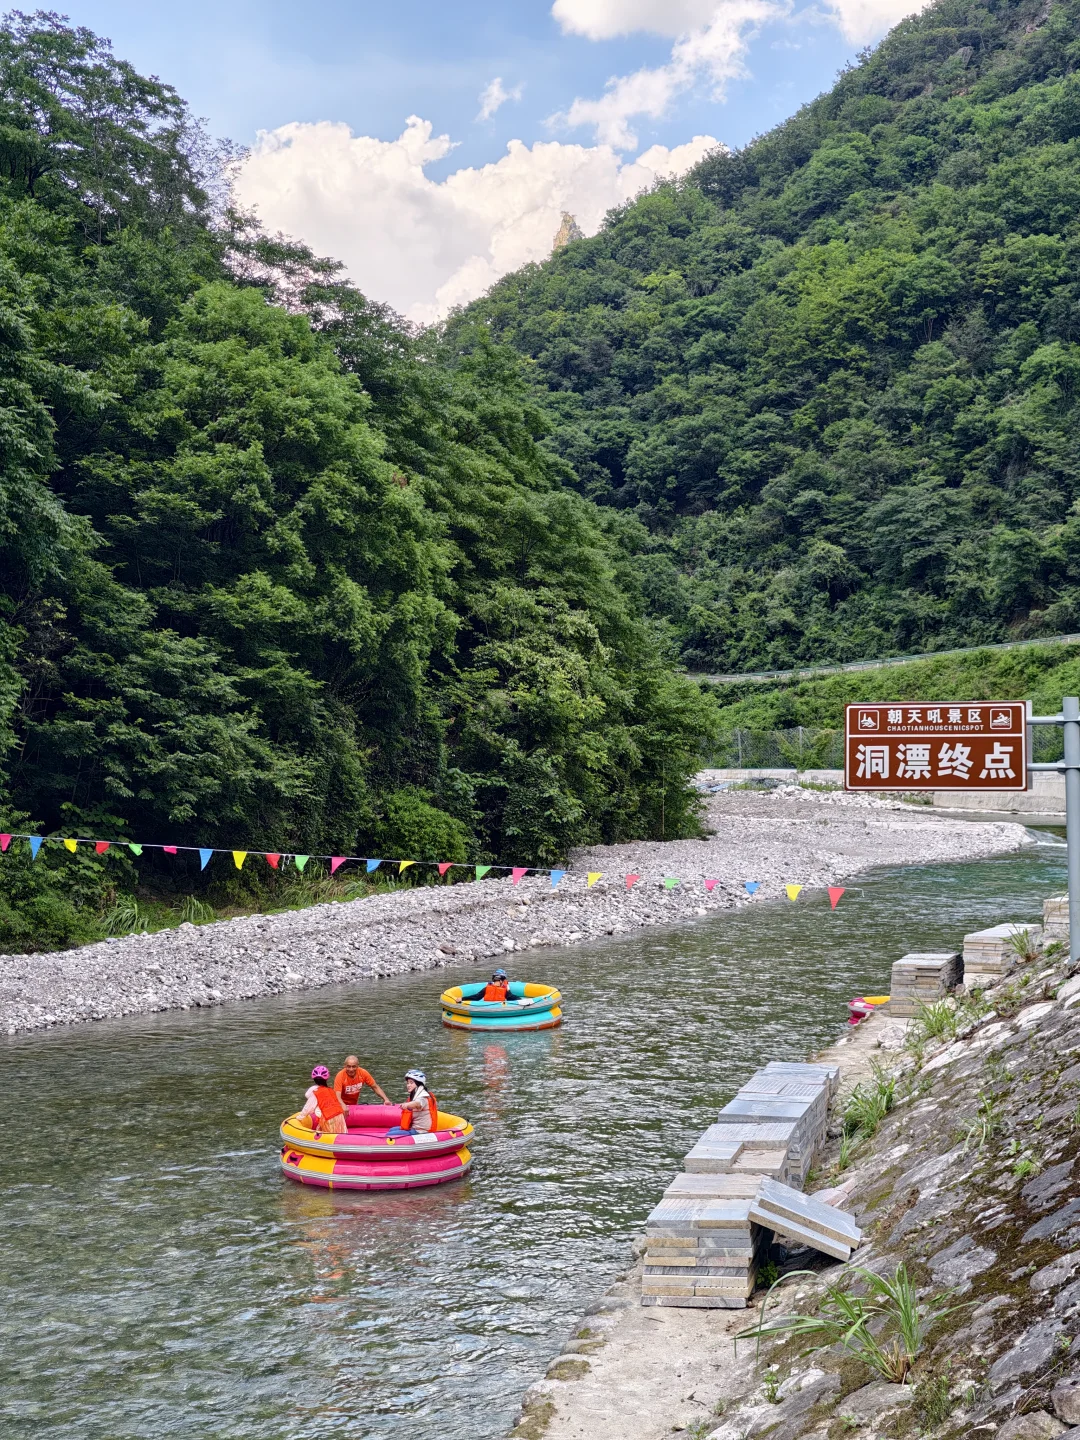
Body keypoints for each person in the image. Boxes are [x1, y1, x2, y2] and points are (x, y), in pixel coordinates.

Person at [387, 1068, 439, 1136]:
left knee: (390, 1134)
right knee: (392, 1129)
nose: (408, 1085)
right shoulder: (415, 1096)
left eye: (411, 1083)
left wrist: (407, 1105)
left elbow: (417, 1104)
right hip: (414, 1128)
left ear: (418, 1084)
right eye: (408, 1083)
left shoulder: (423, 1097)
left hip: (421, 1131)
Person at [297, 1065, 348, 1134]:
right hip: (339, 1117)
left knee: (328, 1136)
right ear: (326, 1079)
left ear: (314, 1079)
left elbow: (308, 1109)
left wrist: (299, 1118)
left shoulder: (316, 1092)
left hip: (328, 1118)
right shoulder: (330, 1090)